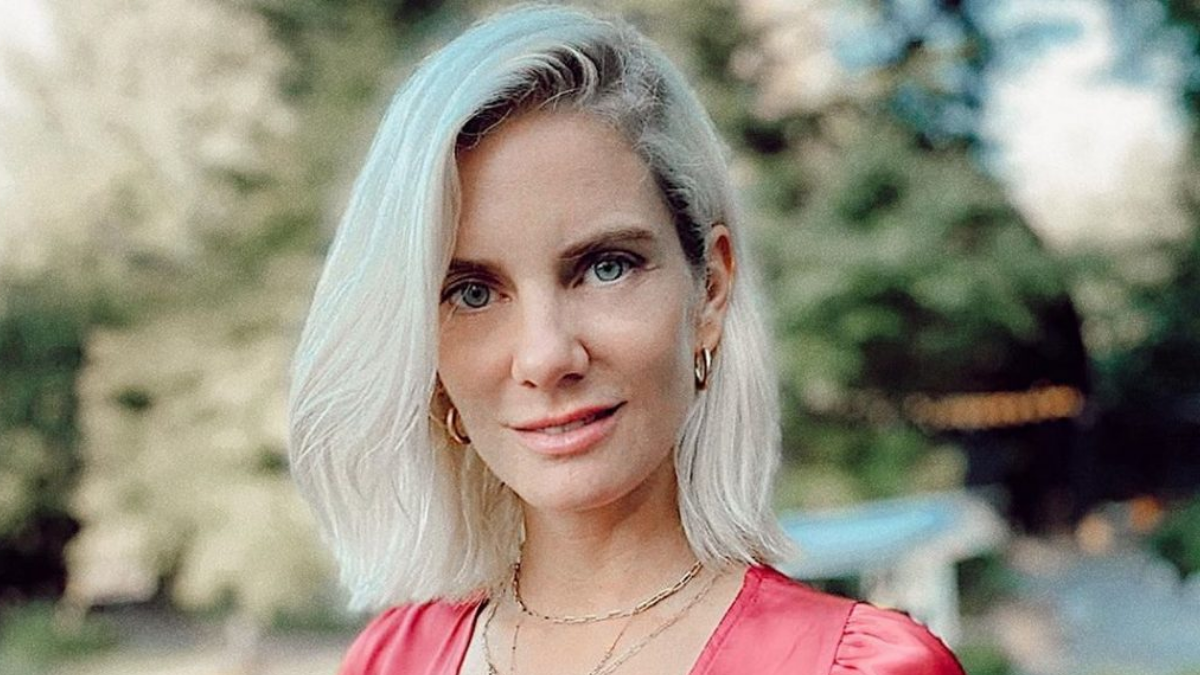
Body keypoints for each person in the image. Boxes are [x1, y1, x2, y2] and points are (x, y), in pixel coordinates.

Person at [287, 4, 966, 674]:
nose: (546, 356)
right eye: (472, 292)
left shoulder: (859, 667)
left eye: (604, 267)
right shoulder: (393, 659)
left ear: (710, 289)